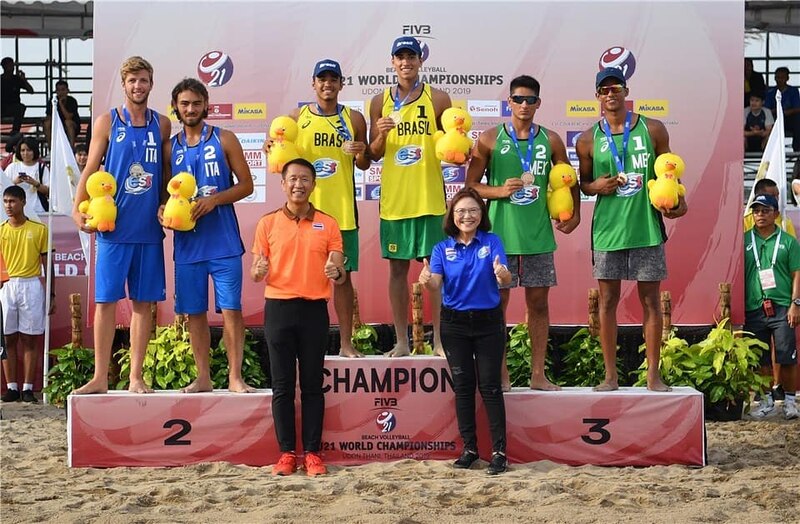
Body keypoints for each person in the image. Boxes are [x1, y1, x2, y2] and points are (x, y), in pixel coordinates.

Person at [576, 67, 687, 392]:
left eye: (616, 88)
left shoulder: (653, 129)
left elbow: (671, 178)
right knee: (607, 302)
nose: (611, 94)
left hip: (646, 229)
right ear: (597, 95)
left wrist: (679, 204)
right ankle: (611, 375)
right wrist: (595, 185)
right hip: (608, 232)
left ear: (626, 91)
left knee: (651, 301)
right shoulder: (587, 139)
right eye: (604, 90)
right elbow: (583, 184)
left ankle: (653, 375)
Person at [466, 75, 580, 391]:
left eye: (530, 100)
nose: (524, 105)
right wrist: (500, 190)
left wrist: (575, 214)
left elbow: (569, 180)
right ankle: (500, 376)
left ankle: (538, 375)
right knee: (496, 307)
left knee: (539, 306)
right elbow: (470, 186)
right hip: (500, 238)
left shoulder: (553, 140)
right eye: (518, 99)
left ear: (538, 103)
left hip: (539, 237)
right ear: (509, 103)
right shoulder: (489, 138)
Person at [72, 56, 170, 395]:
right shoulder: (107, 122)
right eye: (132, 81)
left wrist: (165, 203)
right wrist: (76, 208)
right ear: (123, 84)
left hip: (148, 233)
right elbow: (90, 169)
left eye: (143, 80)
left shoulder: (163, 124)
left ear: (151, 83)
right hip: (112, 229)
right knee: (106, 303)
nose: (138, 86)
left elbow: (166, 177)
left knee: (144, 306)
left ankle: (135, 377)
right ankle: (100, 376)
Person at [263, 59, 370, 357]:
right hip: (304, 213)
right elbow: (279, 155)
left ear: (341, 83)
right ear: (313, 83)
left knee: (343, 279)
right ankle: (300, 343)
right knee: (299, 276)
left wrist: (360, 152)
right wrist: (270, 148)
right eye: (322, 79)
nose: (327, 84)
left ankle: (346, 344)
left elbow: (364, 164)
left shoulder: (355, 118)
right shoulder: (297, 117)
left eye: (333, 79)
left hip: (342, 214)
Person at [250, 158, 345, 476]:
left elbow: (338, 266)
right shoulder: (267, 223)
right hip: (278, 309)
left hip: (315, 311)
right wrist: (258, 270)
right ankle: (287, 453)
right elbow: (255, 270)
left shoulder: (328, 223)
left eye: (305, 179)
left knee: (313, 386)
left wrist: (337, 270)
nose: (298, 184)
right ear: (283, 184)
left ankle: (313, 453)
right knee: (282, 386)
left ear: (314, 184)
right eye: (292, 178)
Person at [168, 78, 255, 393]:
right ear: (176, 107)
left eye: (196, 103)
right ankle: (203, 377)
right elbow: (163, 197)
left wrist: (214, 200)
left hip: (224, 243)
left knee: (232, 309)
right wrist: (163, 213)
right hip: (188, 245)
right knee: (194, 312)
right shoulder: (170, 146)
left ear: (206, 105)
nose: (190, 109)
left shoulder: (225, 139)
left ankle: (235, 377)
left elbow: (247, 184)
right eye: (184, 104)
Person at [419, 187, 512, 474]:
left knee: (490, 387)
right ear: (452, 216)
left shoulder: (492, 241)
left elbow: (504, 278)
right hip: (454, 325)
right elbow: (435, 283)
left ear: (481, 214)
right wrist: (426, 280)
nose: (467, 216)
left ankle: (499, 452)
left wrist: (503, 275)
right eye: (460, 211)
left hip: (488, 323)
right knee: (463, 388)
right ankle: (469, 449)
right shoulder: (441, 249)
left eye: (473, 210)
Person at [368, 36, 451, 357]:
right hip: (395, 203)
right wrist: (381, 134)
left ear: (420, 60)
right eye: (400, 57)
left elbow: (452, 147)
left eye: (411, 56)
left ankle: (441, 341)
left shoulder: (439, 99)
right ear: (392, 62)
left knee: (437, 272)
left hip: (430, 199)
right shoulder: (378, 102)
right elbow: (372, 155)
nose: (406, 62)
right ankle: (402, 341)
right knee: (398, 273)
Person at [743, 194, 800, 420]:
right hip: (754, 307)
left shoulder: (787, 241)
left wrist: (796, 304)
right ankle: (765, 401)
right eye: (756, 211)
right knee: (761, 359)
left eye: (765, 210)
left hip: (782, 307)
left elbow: (797, 274)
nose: (760, 215)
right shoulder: (744, 240)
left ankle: (789, 402)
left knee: (787, 357)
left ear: (775, 214)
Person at [0, 185, 53, 403]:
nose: (8, 206)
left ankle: (29, 387)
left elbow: (47, 263)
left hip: (31, 284)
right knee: (6, 339)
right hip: (6, 285)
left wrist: (52, 294)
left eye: (12, 201)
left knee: (30, 338)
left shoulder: (39, 229)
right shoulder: (1, 230)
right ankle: (12, 387)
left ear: (23, 202)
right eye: (5, 202)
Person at [2, 137, 50, 222]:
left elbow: (48, 191)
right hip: (16, 212)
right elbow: (3, 188)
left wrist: (35, 183)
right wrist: (14, 182)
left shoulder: (41, 168)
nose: (25, 153)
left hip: (38, 209)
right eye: (22, 150)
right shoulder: (12, 167)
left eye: (29, 150)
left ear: (34, 151)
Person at [764, 67, 800, 152]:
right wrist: (778, 111)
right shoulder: (770, 91)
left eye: (782, 77)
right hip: (774, 119)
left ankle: (797, 151)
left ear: (787, 78)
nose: (779, 80)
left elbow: (797, 108)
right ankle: (769, 152)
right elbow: (766, 110)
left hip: (789, 119)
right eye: (777, 77)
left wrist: (786, 112)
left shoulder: (793, 90)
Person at [0, 57, 33, 137]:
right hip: (1, 106)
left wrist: (24, 80)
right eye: (9, 65)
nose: (12, 67)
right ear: (3, 66)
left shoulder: (17, 79)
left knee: (21, 107)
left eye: (12, 65)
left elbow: (31, 91)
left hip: (13, 107)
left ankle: (15, 131)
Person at [44, 80, 81, 149]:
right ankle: (51, 149)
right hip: (57, 125)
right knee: (47, 123)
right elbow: (49, 116)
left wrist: (61, 104)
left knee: (68, 123)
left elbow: (68, 117)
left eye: (63, 90)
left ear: (67, 90)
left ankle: (71, 149)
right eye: (58, 90)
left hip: (72, 126)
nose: (61, 92)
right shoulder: (52, 101)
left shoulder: (72, 101)